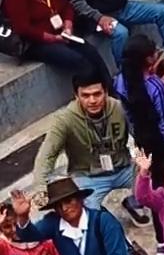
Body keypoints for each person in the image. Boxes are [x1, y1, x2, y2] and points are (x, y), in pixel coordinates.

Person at [36, 74, 150, 224]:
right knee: (87, 218)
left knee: (157, 181)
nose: (92, 100)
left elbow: (142, 135)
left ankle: (134, 202)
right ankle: (106, 222)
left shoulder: (119, 107)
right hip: (88, 176)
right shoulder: (64, 120)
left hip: (124, 168)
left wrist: (143, 160)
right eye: (85, 95)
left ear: (106, 92)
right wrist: (41, 187)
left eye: (97, 94)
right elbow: (47, 155)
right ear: (76, 95)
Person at [5, 0, 114, 86]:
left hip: (61, 33)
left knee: (90, 51)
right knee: (79, 61)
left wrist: (68, 25)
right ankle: (90, 95)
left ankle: (109, 90)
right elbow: (23, 28)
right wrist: (51, 38)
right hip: (36, 42)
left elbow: (66, 6)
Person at [8, 178, 132, 255]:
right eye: (58, 205)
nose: (64, 208)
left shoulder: (103, 221)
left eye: (68, 201)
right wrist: (23, 216)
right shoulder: (53, 223)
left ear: (81, 200)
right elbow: (28, 235)